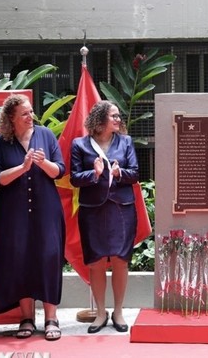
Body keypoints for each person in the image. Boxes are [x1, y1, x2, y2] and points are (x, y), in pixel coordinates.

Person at [0, 94, 65, 341]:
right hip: (13, 213)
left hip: (47, 209)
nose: (29, 117)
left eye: (30, 112)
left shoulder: (46, 135)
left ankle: (51, 317)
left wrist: (43, 164)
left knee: (49, 257)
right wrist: (22, 168)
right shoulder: (0, 142)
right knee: (19, 258)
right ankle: (27, 318)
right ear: (11, 118)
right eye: (23, 113)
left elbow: (60, 170)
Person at [70, 100, 139, 334]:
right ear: (99, 120)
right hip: (93, 210)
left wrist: (120, 173)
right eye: (114, 116)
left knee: (120, 260)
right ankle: (100, 313)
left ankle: (118, 311)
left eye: (119, 116)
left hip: (122, 209)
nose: (119, 120)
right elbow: (74, 178)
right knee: (96, 261)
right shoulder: (80, 144)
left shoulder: (126, 142)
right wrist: (94, 173)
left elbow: (136, 173)